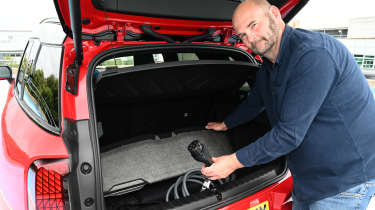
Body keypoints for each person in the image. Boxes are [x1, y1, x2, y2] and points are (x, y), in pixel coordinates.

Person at [201, 0, 375, 209]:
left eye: (253, 25)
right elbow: (256, 101)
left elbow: (289, 134)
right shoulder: (269, 63)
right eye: (243, 35)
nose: (250, 39)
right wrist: (226, 124)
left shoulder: (313, 55)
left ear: (274, 13)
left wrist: (232, 162)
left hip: (343, 182)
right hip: (308, 180)